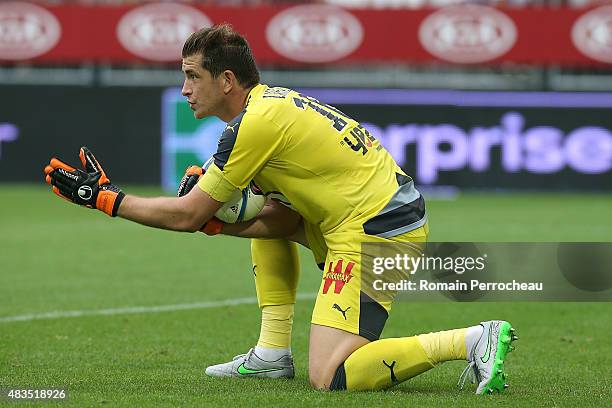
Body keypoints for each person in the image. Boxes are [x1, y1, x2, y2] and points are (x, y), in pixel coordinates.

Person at [43, 24, 516, 393]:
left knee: (331, 375)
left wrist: (105, 198)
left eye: (193, 76)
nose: (185, 89)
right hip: (365, 217)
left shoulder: (254, 126)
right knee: (254, 215)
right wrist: (219, 224)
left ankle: (471, 340)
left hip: (378, 230)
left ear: (226, 80)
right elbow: (283, 220)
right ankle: (272, 353)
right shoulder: (265, 110)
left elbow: (187, 215)